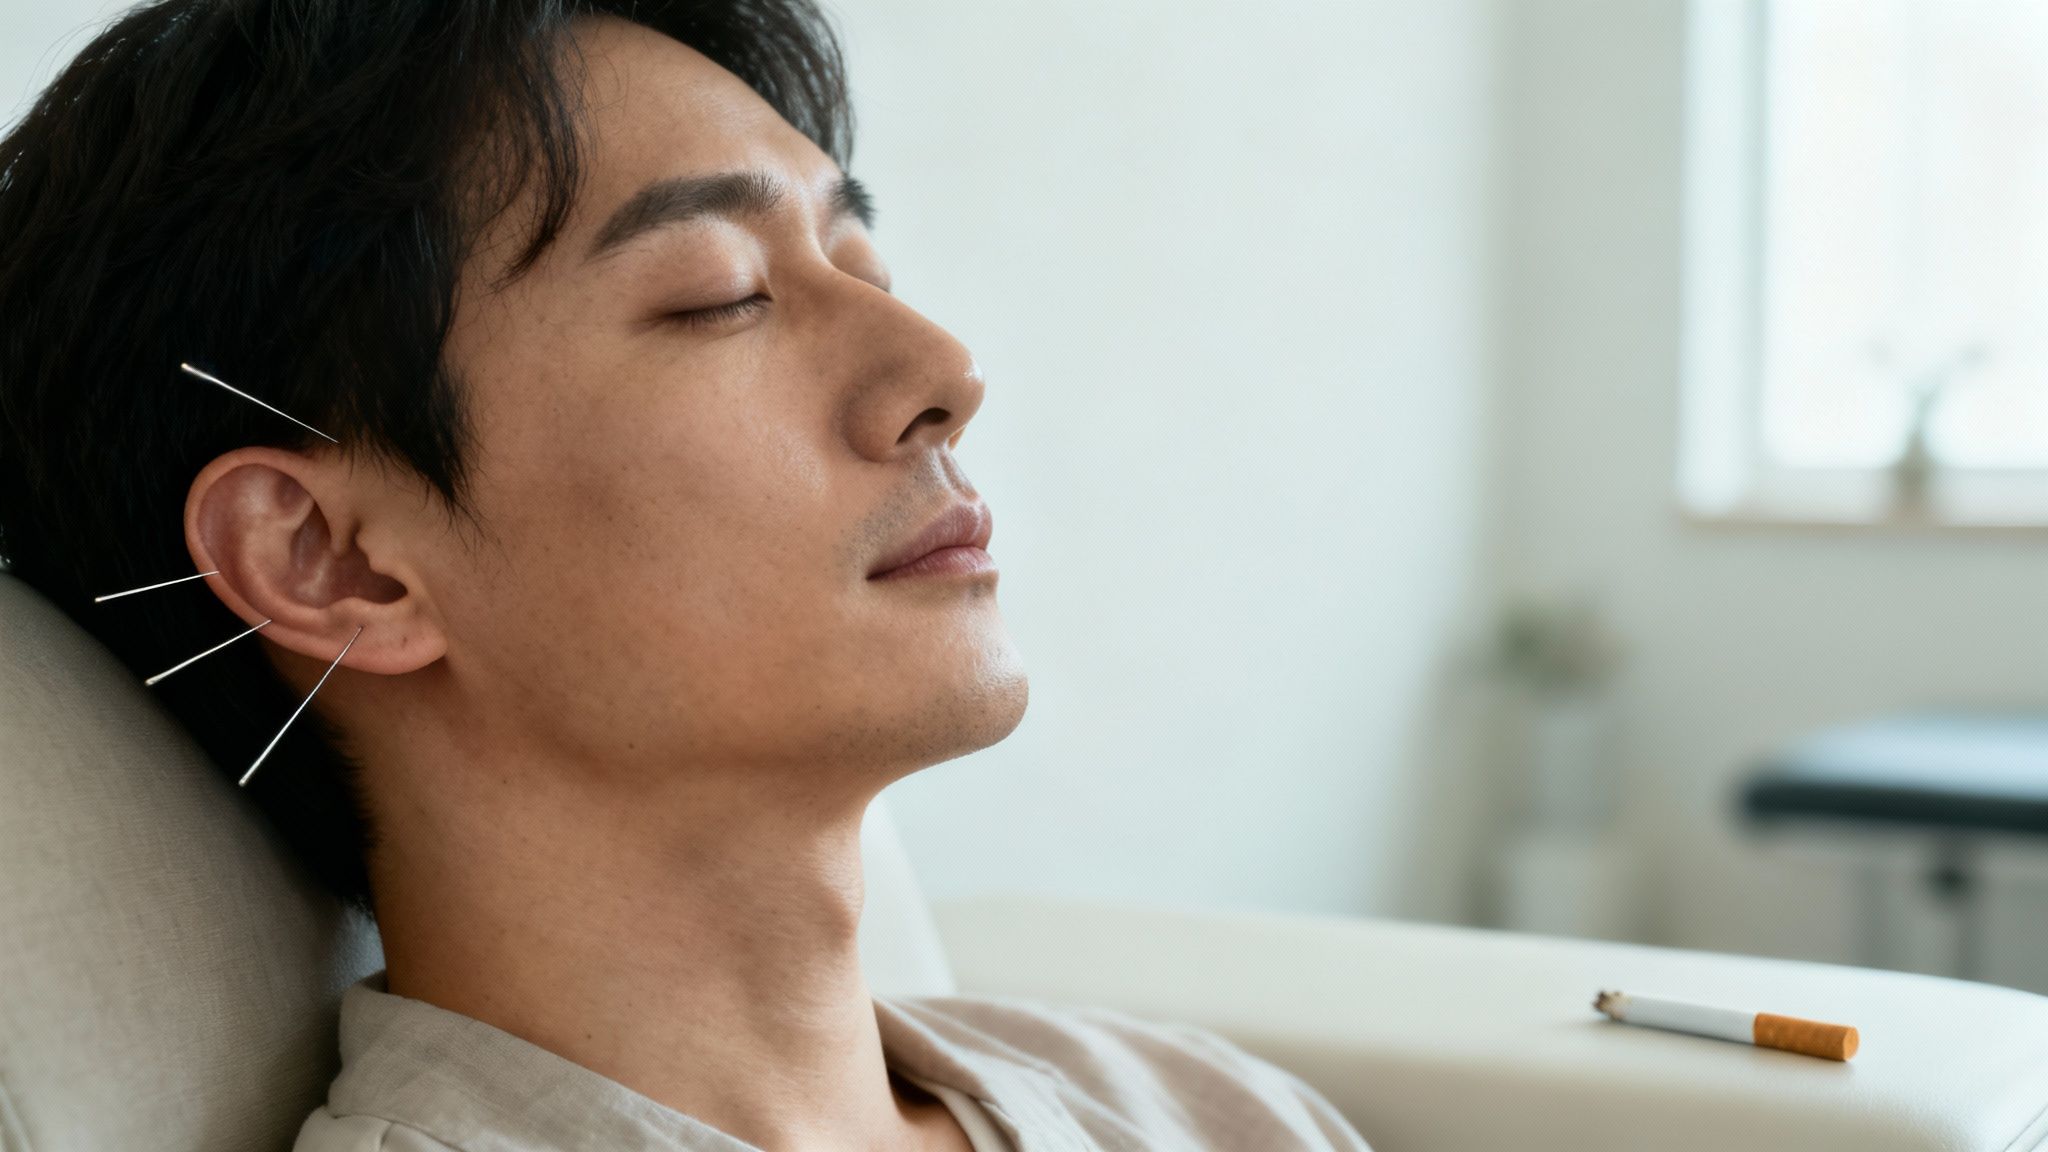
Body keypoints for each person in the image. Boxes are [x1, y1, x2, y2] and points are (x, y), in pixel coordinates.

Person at [0, 2, 1374, 1149]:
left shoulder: (1212, 1111)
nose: (944, 375)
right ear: (336, 562)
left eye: (861, 260)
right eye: (721, 293)